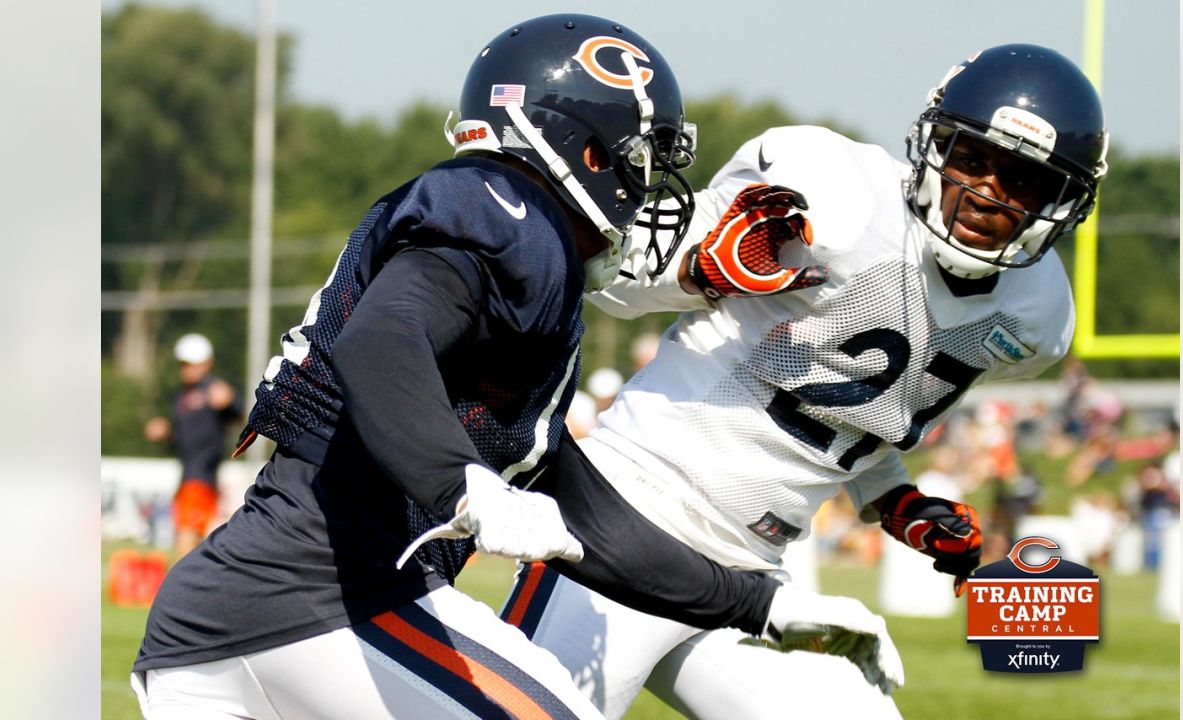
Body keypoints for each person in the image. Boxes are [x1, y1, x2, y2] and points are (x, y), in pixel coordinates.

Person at [131, 14, 896, 719]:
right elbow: (379, 339)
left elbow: (594, 524)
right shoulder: (507, 210)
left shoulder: (525, 280)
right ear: (582, 152)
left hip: (221, 622)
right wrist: (459, 483)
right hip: (326, 602)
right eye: (637, 162)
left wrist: (758, 605)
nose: (646, 193)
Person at [506, 44, 1109, 719]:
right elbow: (606, 270)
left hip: (752, 576)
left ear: (1060, 201)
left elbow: (848, 406)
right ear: (934, 143)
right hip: (626, 521)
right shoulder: (841, 195)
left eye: (1021, 179)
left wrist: (892, 497)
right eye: (971, 159)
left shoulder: (1035, 315)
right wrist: (701, 268)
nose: (985, 192)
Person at [142, 332, 242, 558]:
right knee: (191, 535)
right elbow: (181, 439)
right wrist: (166, 433)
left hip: (202, 474)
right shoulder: (180, 396)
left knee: (188, 536)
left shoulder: (214, 389)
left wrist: (231, 402)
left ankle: (183, 588)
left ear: (206, 363)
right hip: (188, 474)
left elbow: (239, 414)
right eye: (183, 364)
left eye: (190, 364)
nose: (185, 369)